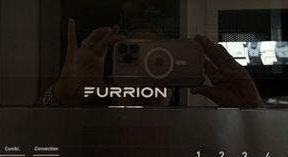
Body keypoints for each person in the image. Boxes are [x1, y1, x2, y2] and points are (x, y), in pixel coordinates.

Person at [40, 19, 263, 107]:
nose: (146, 83)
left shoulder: (196, 136)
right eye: (134, 64)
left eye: (159, 65)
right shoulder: (86, 131)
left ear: (174, 87)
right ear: (114, 80)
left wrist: (252, 109)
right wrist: (60, 96)